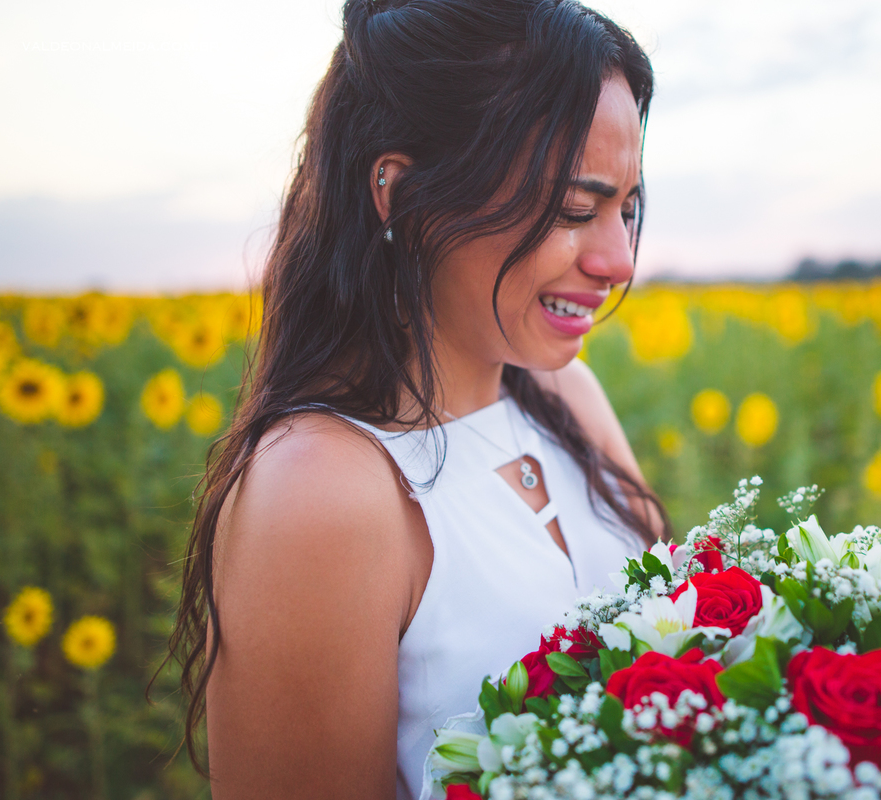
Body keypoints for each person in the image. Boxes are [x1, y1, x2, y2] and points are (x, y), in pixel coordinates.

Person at [159, 1, 666, 797]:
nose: (618, 260)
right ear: (398, 192)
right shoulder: (321, 491)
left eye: (625, 208)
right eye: (574, 210)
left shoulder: (569, 395)